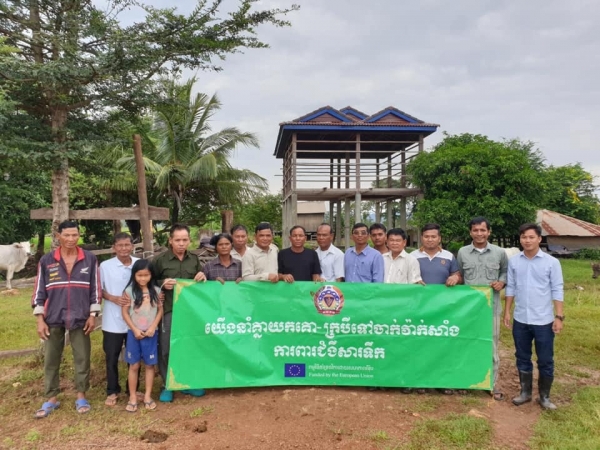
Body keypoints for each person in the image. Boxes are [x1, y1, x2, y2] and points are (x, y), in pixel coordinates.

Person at [31, 220, 101, 418]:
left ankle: (81, 396)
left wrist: (92, 315)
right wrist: (40, 319)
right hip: (53, 315)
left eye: (74, 235)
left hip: (81, 316)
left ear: (79, 236)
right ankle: (51, 398)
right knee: (51, 358)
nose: (71, 239)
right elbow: (39, 290)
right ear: (58, 236)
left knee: (82, 357)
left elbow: (96, 289)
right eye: (67, 235)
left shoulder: (89, 259)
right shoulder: (47, 260)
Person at [504, 223, 564, 410]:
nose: (527, 240)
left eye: (531, 237)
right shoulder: (514, 262)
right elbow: (511, 287)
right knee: (522, 356)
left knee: (545, 359)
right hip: (521, 319)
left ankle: (544, 397)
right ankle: (525, 392)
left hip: (544, 320)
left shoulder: (551, 263)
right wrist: (507, 311)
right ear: (520, 239)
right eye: (524, 237)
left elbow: (557, 289)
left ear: (539, 239)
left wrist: (559, 316)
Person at [152, 223, 207, 402]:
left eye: (184, 240)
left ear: (189, 240)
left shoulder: (194, 260)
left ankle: (187, 382)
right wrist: (161, 283)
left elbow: (201, 282)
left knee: (189, 345)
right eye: (177, 240)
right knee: (166, 347)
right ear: (170, 241)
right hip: (168, 309)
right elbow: (147, 281)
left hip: (190, 311)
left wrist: (202, 277)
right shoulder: (160, 260)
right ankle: (167, 384)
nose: (181, 243)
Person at [457, 217, 508, 401]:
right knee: (467, 343)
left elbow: (505, 272)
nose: (479, 234)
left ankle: (492, 383)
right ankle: (466, 380)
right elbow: (460, 275)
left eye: (483, 230)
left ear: (489, 232)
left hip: (491, 309)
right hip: (469, 310)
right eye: (475, 230)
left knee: (491, 345)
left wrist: (501, 282)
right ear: (470, 232)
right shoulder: (462, 252)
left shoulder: (499, 252)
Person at [412, 223, 461, 395]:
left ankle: (442, 380)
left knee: (442, 344)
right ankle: (420, 380)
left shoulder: (449, 256)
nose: (430, 239)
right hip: (419, 308)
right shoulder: (413, 256)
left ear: (439, 238)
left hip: (443, 309)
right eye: (426, 236)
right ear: (422, 238)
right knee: (420, 344)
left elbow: (457, 274)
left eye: (433, 236)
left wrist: (455, 277)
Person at [100, 233, 139, 407]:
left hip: (136, 319)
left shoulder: (138, 264)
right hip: (112, 320)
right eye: (120, 245)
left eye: (127, 245)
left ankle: (133, 389)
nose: (124, 248)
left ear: (132, 246)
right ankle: (112, 390)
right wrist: (113, 298)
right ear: (114, 247)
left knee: (134, 357)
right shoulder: (105, 266)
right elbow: (98, 289)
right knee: (112, 356)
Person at [122, 260, 163, 412]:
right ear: (134, 275)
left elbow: (160, 310)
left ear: (151, 275)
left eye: (146, 275)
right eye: (139, 275)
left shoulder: (157, 291)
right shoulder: (129, 291)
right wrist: (134, 329)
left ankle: (147, 396)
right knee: (134, 365)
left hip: (151, 333)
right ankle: (132, 397)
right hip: (134, 333)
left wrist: (153, 327)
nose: (143, 278)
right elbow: (124, 312)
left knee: (150, 365)